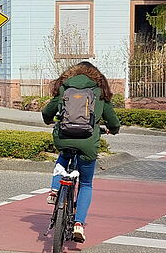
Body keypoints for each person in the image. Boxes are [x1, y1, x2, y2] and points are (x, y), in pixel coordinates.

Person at [42, 61, 120, 243]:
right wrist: (113, 129)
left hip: (64, 137)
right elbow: (113, 121)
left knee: (64, 156)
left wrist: (49, 120)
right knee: (85, 184)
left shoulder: (64, 88)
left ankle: (54, 189)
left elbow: (47, 112)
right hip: (87, 143)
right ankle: (78, 224)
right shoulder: (98, 91)